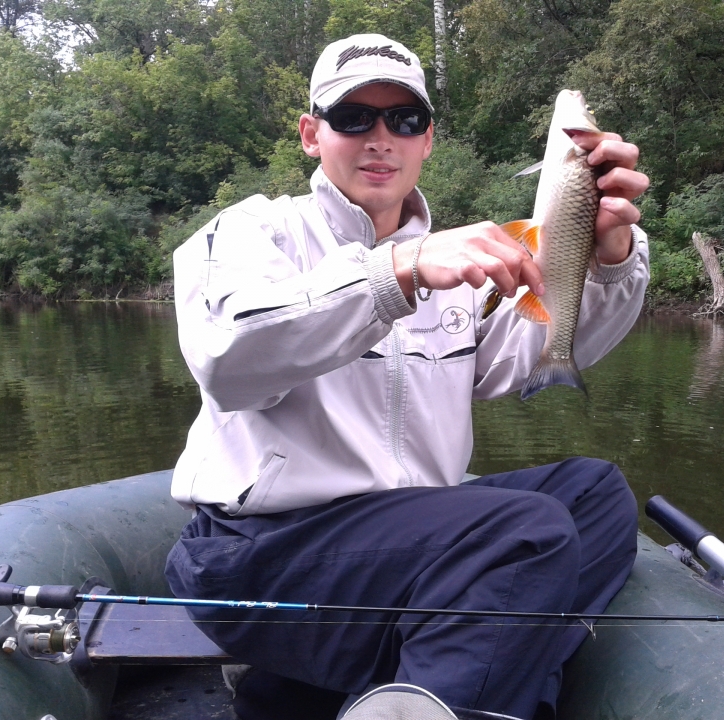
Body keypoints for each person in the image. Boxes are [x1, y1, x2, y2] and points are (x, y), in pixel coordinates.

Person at [165, 33, 651, 720]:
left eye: (404, 118)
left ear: (427, 140)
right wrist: (396, 272)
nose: (380, 138)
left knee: (595, 495)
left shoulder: (458, 261)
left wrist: (607, 259)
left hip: (407, 547)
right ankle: (472, 692)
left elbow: (523, 355)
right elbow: (229, 360)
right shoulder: (251, 232)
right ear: (311, 135)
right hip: (260, 552)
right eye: (352, 117)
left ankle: (358, 688)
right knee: (525, 531)